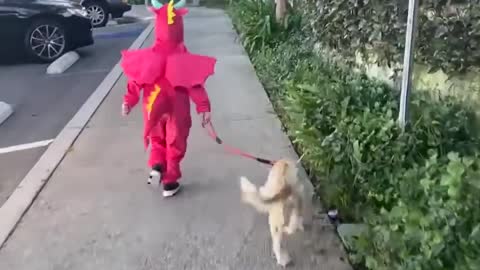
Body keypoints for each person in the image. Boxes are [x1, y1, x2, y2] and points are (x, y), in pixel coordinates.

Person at [120, 0, 216, 197]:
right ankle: (170, 182)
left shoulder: (150, 56)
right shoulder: (182, 56)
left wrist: (128, 101)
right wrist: (203, 107)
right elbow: (195, 85)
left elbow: (135, 82)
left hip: (152, 103)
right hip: (177, 107)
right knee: (175, 140)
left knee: (157, 137)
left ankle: (157, 165)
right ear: (179, 28)